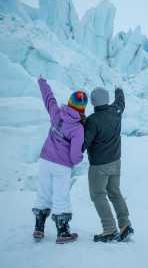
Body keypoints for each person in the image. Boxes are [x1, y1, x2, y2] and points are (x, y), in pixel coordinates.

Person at [32, 76, 88, 244]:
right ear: (83, 109)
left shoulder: (56, 113)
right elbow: (75, 156)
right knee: (61, 196)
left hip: (45, 161)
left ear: (70, 102)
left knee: (43, 192)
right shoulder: (78, 128)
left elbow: (48, 98)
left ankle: (39, 228)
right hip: (62, 166)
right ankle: (62, 232)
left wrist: (43, 83)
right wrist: (79, 158)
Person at [84, 87, 134, 242]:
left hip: (99, 166)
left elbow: (83, 144)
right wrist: (119, 89)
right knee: (115, 192)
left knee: (98, 195)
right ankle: (125, 225)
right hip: (115, 161)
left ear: (93, 102)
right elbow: (121, 101)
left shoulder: (92, 120)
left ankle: (109, 229)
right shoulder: (116, 111)